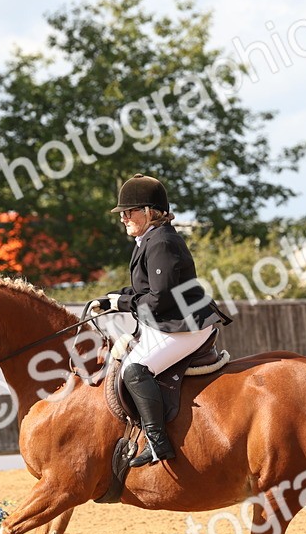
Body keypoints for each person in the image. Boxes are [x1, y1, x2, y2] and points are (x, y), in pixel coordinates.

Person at [95, 174, 229, 467]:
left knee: (134, 370)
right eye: (123, 213)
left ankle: (158, 443)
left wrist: (122, 303)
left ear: (148, 211)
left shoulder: (162, 242)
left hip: (184, 325)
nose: (123, 219)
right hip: (169, 322)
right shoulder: (149, 239)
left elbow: (160, 299)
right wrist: (111, 298)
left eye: (128, 212)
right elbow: (144, 291)